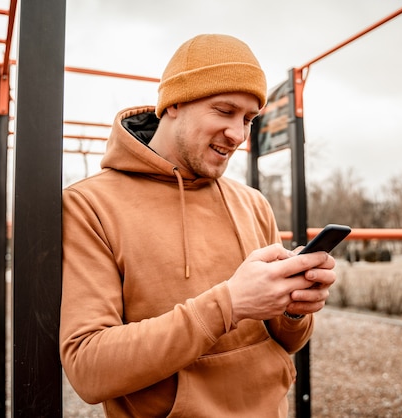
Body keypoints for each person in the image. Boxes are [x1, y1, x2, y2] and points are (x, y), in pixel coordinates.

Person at [60, 34, 337, 417]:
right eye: (224, 111)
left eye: (248, 119)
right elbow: (88, 368)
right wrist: (230, 304)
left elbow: (287, 342)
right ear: (173, 102)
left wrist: (294, 309)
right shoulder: (89, 205)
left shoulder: (253, 204)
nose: (239, 135)